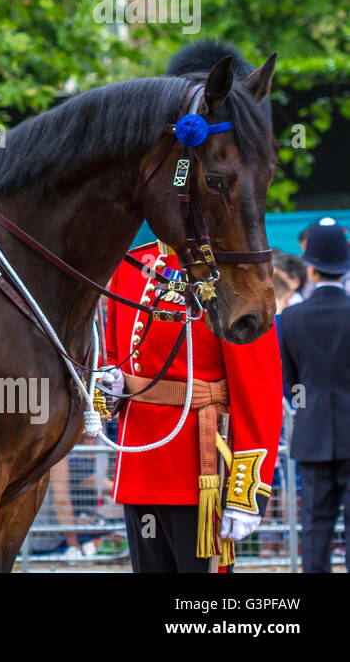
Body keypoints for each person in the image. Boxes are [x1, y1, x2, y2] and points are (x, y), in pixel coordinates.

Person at [101, 42, 284, 572]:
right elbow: (115, 359)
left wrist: (248, 488)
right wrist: (106, 389)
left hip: (203, 468)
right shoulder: (131, 268)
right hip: (141, 466)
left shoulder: (231, 278)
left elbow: (260, 390)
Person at [276, 219, 350, 572]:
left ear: (311, 267)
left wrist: (307, 409)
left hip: (312, 435)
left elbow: (292, 385)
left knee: (316, 530)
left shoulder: (291, 318)